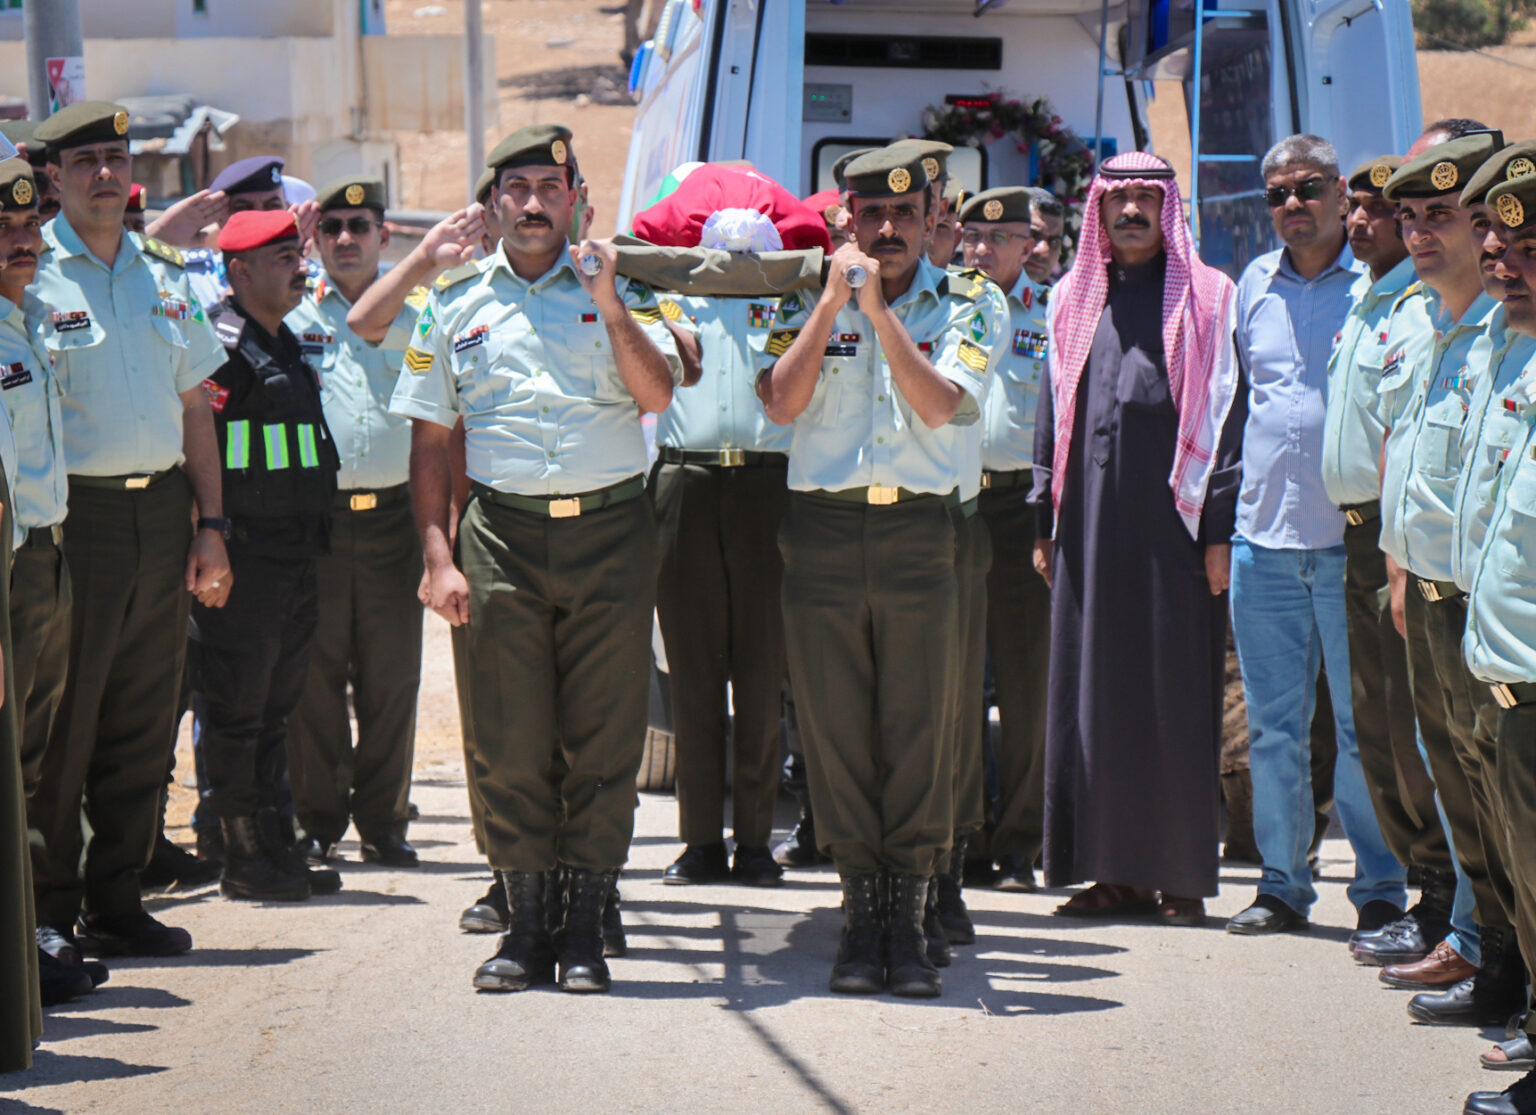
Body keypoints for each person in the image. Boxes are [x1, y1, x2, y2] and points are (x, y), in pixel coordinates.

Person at [391, 124, 681, 996]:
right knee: (512, 738)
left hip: (611, 532)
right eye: (515, 188)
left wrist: (610, 295)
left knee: (603, 734)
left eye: (549, 188)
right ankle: (524, 925)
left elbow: (658, 393)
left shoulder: (616, 285)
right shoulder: (451, 303)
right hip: (503, 537)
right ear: (491, 205)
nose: (531, 204)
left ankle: (586, 924)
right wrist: (439, 556)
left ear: (576, 201)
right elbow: (432, 439)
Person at [758, 146, 1004, 998]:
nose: (888, 228)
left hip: (919, 533)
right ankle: (861, 918)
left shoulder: (974, 301)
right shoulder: (805, 299)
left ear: (933, 214)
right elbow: (781, 401)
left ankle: (908, 918)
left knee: (920, 733)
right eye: (872, 213)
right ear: (846, 219)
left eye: (905, 213)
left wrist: (879, 313)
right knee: (835, 735)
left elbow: (941, 405)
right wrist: (833, 300)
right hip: (823, 534)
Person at [28, 101, 228, 958]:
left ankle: (118, 897)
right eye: (86, 163)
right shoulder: (31, 277)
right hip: (80, 518)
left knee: (145, 716)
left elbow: (196, 410)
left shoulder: (164, 275)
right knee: (67, 722)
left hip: (162, 511)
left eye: (115, 158)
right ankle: (49, 910)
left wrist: (211, 523)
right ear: (55, 180)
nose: (104, 173)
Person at [1031, 151, 1246, 927]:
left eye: (1143, 198)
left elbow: (1226, 423)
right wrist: (1041, 522)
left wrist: (1217, 531)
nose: (1129, 211)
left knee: (1174, 699)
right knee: (1092, 700)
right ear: (1099, 209)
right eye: (1116, 198)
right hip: (1086, 530)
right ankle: (1108, 873)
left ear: (1166, 206)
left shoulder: (1210, 299)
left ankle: (1180, 876)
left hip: (1176, 535)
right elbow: (1051, 418)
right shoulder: (1070, 299)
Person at [1221, 134, 1406, 936]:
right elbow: (1232, 411)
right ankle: (1281, 884)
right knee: (1273, 727)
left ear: (1339, 193)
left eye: (1307, 189)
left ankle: (1378, 889)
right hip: (1262, 541)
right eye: (1277, 194)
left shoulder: (1380, 288)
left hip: (1349, 542)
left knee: (1365, 727)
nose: (1291, 206)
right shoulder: (1250, 288)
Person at [1375, 134, 1530, 1029]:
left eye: (1447, 218)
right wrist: (1401, 568)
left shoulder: (1500, 330)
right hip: (1433, 593)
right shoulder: (1427, 318)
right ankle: (1498, 964)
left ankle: (1509, 979)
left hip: (1488, 606)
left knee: (1506, 815)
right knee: (1471, 801)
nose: (1426, 234)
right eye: (1415, 218)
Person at [1319, 151, 1459, 966]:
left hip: (1398, 542)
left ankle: (1446, 902)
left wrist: (1399, 550)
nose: (1373, 222)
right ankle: (1428, 888)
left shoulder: (1419, 308)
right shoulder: (1368, 299)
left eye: (1391, 210)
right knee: (1376, 729)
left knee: (1415, 734)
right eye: (1369, 209)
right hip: (1358, 537)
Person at [190, 209, 343, 902]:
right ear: (239, 271)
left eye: (296, 252)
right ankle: (240, 848)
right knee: (236, 708)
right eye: (283, 256)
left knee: (276, 706)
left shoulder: (282, 341)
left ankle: (276, 836)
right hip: (243, 555)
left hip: (293, 552)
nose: (299, 264)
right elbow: (198, 450)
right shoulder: (221, 347)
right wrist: (210, 534)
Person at [283, 175, 425, 869]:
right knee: (316, 676)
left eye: (358, 226)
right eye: (331, 227)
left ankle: (384, 821)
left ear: (383, 236)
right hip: (319, 521)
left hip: (396, 518)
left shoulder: (419, 314)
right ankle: (317, 820)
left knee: (392, 677)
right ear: (315, 237)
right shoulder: (292, 312)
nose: (345, 239)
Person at [654, 288, 789, 888]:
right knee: (693, 675)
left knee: (762, 676)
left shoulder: (791, 298)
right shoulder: (667, 300)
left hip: (769, 483)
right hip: (687, 477)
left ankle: (756, 841)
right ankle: (701, 840)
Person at [1458, 164, 1536, 1115]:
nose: (1506, 268)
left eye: (1529, 251)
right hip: (1508, 675)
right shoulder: (1520, 358)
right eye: (1500, 252)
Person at [958, 186, 1052, 896]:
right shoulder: (946, 305)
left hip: (1023, 512)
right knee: (955, 684)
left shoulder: (1055, 318)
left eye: (1001, 238)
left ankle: (1021, 842)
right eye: (974, 238)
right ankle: (963, 836)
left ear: (1031, 243)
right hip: (954, 508)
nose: (983, 250)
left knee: (1025, 688)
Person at [1023, 187, 1066, 285]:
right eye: (1032, 234)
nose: (1043, 250)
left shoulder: (1058, 299)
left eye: (1054, 242)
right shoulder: (983, 295)